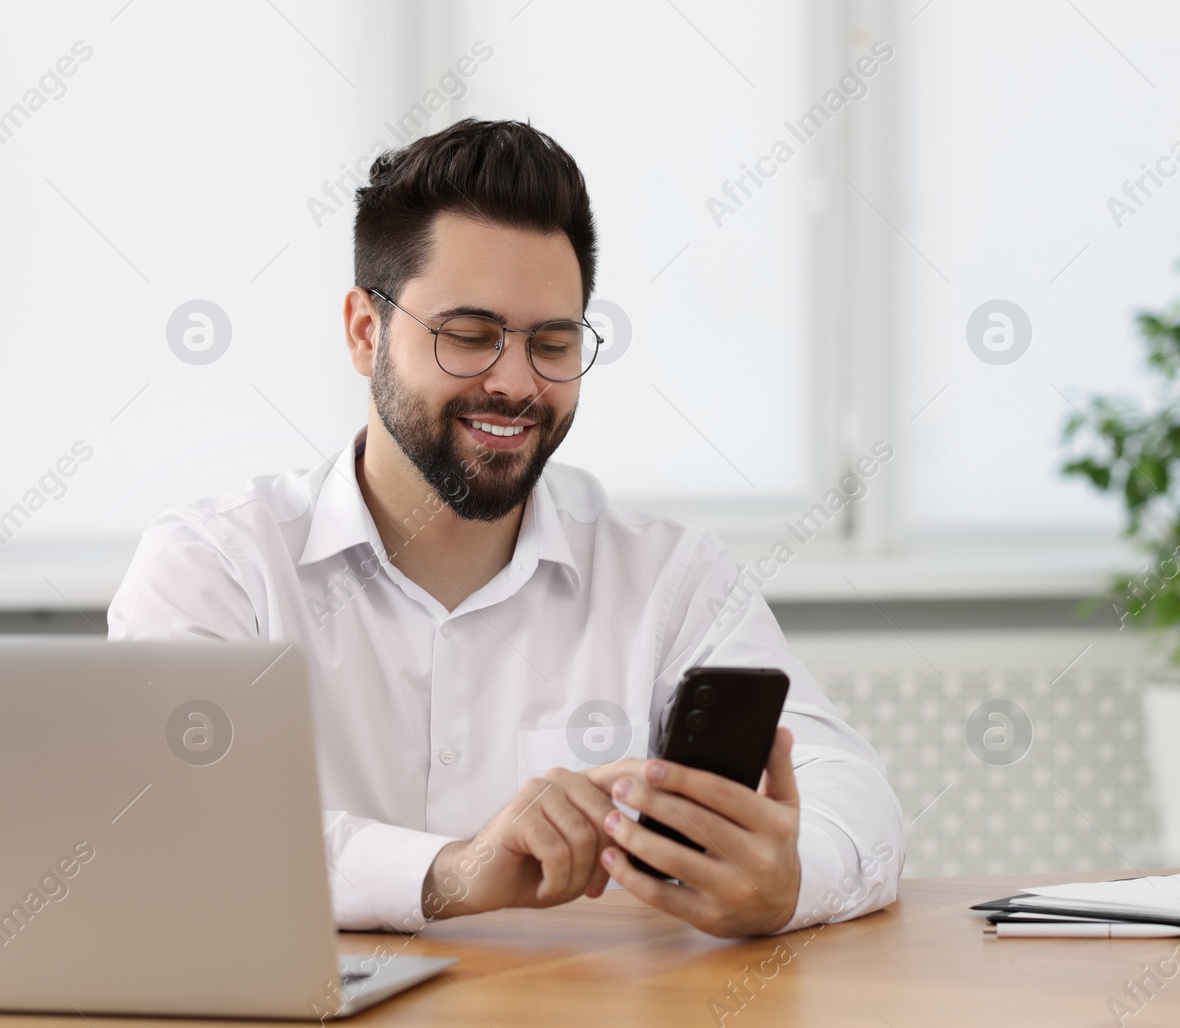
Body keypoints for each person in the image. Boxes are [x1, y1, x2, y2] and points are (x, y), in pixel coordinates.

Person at [107, 118, 902, 938]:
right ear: (362, 331)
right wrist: (451, 870)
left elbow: (854, 794)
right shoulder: (217, 566)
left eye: (552, 343)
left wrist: (788, 877)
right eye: (469, 336)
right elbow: (175, 830)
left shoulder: (670, 576)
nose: (516, 382)